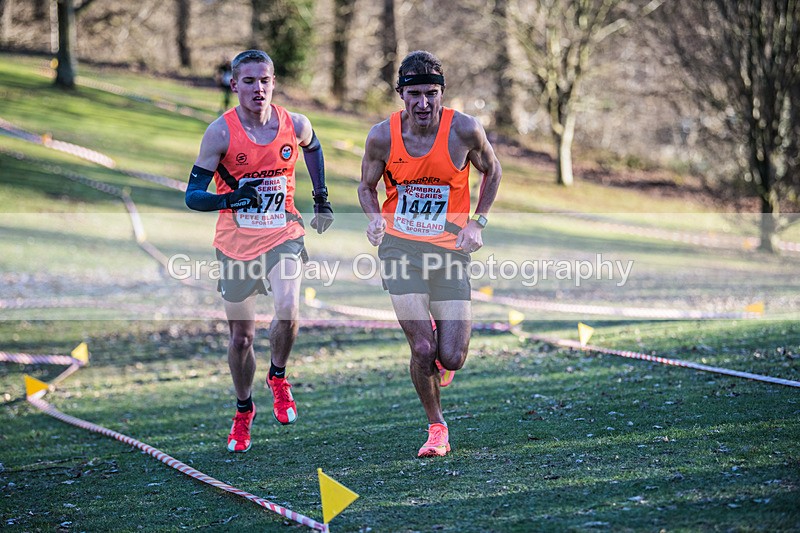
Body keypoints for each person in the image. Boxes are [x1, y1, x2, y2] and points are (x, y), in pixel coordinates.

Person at [185, 49, 334, 453]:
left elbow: (313, 146)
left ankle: (279, 377)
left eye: (265, 80)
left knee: (288, 309)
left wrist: (320, 198)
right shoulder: (220, 133)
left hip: (283, 232)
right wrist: (231, 198)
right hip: (235, 244)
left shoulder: (294, 123)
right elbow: (193, 196)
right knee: (242, 339)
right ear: (234, 85)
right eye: (249, 81)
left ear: (274, 82)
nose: (258, 88)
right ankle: (243, 409)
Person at [357, 50, 502, 457]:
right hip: (399, 246)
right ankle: (437, 427)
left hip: (449, 250)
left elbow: (493, 170)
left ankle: (440, 353)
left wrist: (479, 222)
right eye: (415, 94)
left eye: (432, 94)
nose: (423, 103)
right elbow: (365, 187)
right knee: (421, 349)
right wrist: (374, 220)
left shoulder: (465, 131)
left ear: (442, 93)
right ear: (401, 93)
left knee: (452, 357)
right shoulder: (382, 136)